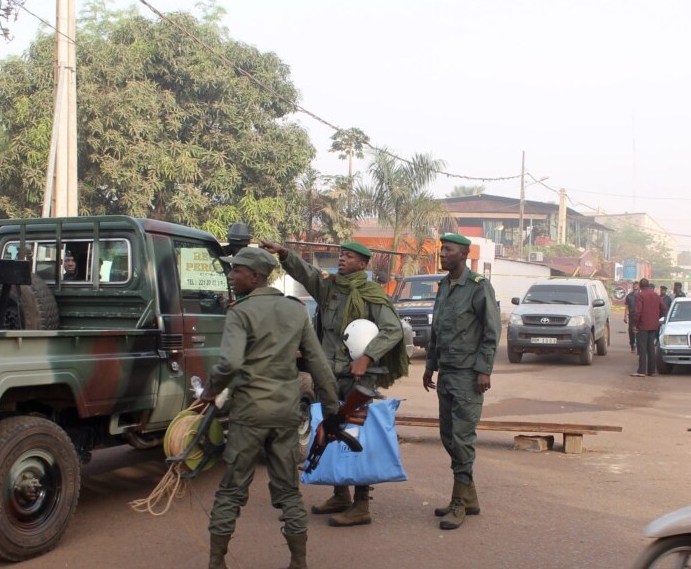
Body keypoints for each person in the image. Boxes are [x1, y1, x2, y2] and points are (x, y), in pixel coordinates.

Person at [202, 247, 340, 569]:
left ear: (254, 276)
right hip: (285, 413)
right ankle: (298, 563)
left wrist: (211, 390)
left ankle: (216, 563)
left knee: (231, 491)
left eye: (236, 271)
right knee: (288, 493)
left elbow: (229, 363)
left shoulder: (240, 312)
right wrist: (332, 409)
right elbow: (318, 363)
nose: (232, 276)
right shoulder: (295, 311)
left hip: (249, 414)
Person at [259, 239, 408, 527]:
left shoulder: (370, 294)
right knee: (328, 433)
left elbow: (393, 330)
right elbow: (306, 273)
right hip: (327, 376)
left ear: (363, 264)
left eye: (349, 257)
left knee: (355, 437)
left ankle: (362, 504)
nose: (342, 259)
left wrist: (367, 356)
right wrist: (285, 254)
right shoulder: (328, 287)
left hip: (357, 378)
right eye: (341, 255)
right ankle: (340, 494)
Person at [422, 233, 500, 531]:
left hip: (469, 375)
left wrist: (484, 370)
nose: (442, 254)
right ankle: (469, 498)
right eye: (442, 249)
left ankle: (459, 501)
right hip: (446, 372)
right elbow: (438, 330)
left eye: (448, 250)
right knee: (448, 435)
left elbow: (491, 331)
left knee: (462, 438)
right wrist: (430, 366)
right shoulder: (443, 286)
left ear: (464, 254)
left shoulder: (478, 287)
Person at [631, 278, 665, 377]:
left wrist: (635, 324)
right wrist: (657, 317)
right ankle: (652, 371)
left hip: (642, 325)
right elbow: (664, 308)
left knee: (642, 349)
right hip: (653, 325)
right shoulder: (656, 295)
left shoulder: (640, 296)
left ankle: (641, 371)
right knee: (651, 348)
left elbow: (637, 312)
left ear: (640, 287)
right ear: (648, 285)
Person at [624, 282, 640, 353]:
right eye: (634, 285)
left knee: (640, 331)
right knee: (631, 331)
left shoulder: (641, 295)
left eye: (637, 285)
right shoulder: (629, 296)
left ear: (639, 286)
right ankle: (632, 345)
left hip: (640, 316)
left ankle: (639, 346)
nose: (635, 286)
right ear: (633, 286)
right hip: (631, 315)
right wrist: (625, 316)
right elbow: (627, 306)